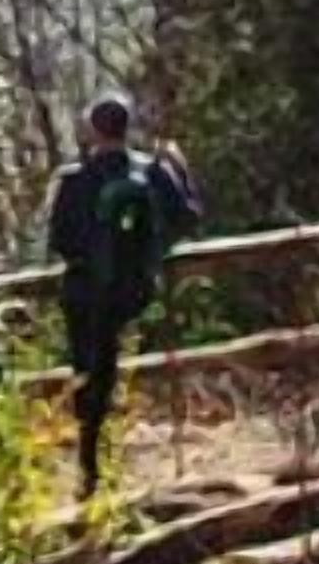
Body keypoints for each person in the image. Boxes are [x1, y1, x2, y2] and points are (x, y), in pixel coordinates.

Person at [42, 93, 201, 497]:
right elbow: (188, 218)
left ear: (92, 129)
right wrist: (181, 170)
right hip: (135, 291)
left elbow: (59, 241)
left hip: (84, 293)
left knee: (89, 375)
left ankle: (92, 466)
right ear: (126, 127)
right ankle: (109, 460)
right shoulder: (153, 172)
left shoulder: (74, 180)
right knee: (117, 369)